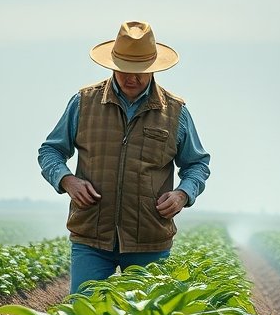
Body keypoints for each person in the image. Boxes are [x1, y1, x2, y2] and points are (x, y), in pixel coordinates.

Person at [38, 20, 211, 295]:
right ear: (112, 65)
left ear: (153, 68)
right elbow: (50, 150)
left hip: (149, 241)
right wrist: (67, 180)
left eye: (139, 72)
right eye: (124, 70)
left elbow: (197, 164)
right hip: (91, 237)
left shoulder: (176, 112)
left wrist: (182, 195)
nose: (132, 78)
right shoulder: (83, 102)